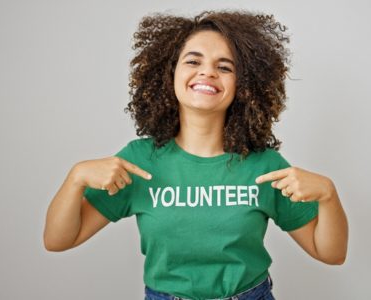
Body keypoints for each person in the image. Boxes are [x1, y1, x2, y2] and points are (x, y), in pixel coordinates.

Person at [43, 10, 348, 300]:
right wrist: (75, 178)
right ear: (169, 72)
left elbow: (331, 253)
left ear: (243, 85)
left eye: (225, 67)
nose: (207, 72)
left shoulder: (264, 165)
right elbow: (58, 240)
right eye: (193, 61)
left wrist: (329, 197)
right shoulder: (139, 161)